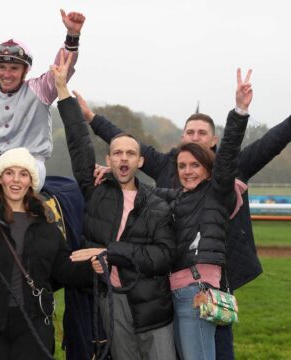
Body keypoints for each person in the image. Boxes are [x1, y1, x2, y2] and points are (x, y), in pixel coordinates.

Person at [75, 71, 291, 359]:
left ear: (214, 141)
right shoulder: (168, 174)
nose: (195, 140)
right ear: (180, 142)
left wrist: (240, 111)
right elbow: (129, 149)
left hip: (206, 287)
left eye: (202, 134)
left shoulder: (220, 182)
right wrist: (96, 129)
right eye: (190, 133)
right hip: (168, 288)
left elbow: (264, 145)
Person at [52, 52, 177, 360]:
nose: (123, 158)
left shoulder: (156, 204)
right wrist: (64, 95)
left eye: (130, 153)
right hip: (111, 301)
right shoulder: (96, 192)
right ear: (108, 160)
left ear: (140, 161)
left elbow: (163, 257)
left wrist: (110, 253)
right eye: (117, 153)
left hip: (152, 306)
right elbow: (80, 145)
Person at [0, 147, 93, 360]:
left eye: (23, 174)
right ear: (0, 179)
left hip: (34, 326)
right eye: (9, 173)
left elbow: (63, 271)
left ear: (31, 181)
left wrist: (91, 268)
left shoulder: (47, 226)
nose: (16, 180)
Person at [0, 9, 86, 191]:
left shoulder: (40, 89)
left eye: (14, 68)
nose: (7, 74)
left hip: (31, 166)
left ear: (26, 70)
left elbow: (62, 69)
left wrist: (72, 35)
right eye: (2, 67)